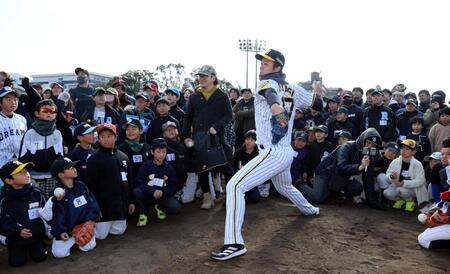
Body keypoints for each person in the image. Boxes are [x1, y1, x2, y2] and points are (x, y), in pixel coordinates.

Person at [210, 49, 322, 260]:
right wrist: (316, 93)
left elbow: (271, 96)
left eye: (267, 63)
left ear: (278, 67)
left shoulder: (266, 83)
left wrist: (277, 108)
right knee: (285, 186)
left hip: (273, 152)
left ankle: (234, 243)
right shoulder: (295, 88)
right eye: (262, 62)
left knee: (235, 186)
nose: (262, 65)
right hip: (286, 151)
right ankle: (310, 210)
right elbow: (318, 104)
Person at [182, 65, 234, 210]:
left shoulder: (222, 95)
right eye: (200, 76)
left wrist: (217, 127)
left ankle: (232, 196)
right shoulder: (194, 96)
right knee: (202, 169)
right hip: (199, 137)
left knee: (226, 168)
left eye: (205, 76)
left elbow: (229, 116)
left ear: (213, 77)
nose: (202, 79)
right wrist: (186, 136)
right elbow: (188, 117)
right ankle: (207, 197)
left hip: (217, 137)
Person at [85, 123, 135, 239]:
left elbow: (130, 181)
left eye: (109, 136)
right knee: (101, 236)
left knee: (119, 231)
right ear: (98, 138)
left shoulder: (123, 157)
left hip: (120, 207)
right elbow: (91, 187)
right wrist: (95, 207)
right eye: (102, 136)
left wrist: (131, 201)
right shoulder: (93, 159)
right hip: (104, 208)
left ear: (116, 137)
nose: (106, 139)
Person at [49, 158, 100, 258]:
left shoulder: (81, 186)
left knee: (89, 246)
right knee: (59, 254)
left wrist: (90, 222)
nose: (74, 169)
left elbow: (91, 204)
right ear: (61, 175)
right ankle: (61, 239)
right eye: (70, 168)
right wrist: (61, 231)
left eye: (74, 167)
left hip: (83, 226)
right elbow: (56, 215)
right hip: (67, 230)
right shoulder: (57, 193)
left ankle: (77, 239)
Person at [0, 161, 48, 267]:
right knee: (17, 262)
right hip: (16, 238)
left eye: (26, 170)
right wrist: (17, 230)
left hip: (36, 236)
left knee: (40, 257)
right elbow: (2, 219)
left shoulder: (37, 193)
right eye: (20, 172)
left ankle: (38, 244)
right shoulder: (4, 199)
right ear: (9, 180)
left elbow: (47, 211)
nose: (26, 173)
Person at [19, 99, 64, 199]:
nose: (49, 113)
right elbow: (22, 158)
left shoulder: (57, 133)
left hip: (52, 178)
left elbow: (61, 157)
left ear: (56, 114)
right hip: (33, 177)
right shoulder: (30, 133)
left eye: (52, 111)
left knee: (52, 206)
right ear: (37, 113)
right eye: (45, 111)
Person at [134, 138, 181, 227]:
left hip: (161, 196)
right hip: (147, 195)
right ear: (152, 152)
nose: (161, 155)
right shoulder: (146, 165)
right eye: (158, 152)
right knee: (136, 192)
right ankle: (143, 213)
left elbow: (173, 186)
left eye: (164, 152)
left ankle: (159, 207)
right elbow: (139, 183)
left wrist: (163, 192)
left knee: (176, 207)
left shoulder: (169, 168)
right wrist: (152, 191)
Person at [384, 139, 428, 211]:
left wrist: (404, 183)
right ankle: (400, 200)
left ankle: (410, 201)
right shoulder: (395, 161)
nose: (403, 151)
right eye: (401, 148)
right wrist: (391, 176)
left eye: (407, 149)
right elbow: (387, 175)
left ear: (413, 152)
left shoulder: (417, 164)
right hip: (397, 186)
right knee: (387, 193)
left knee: (401, 190)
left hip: (413, 189)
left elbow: (420, 181)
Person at [0, 87, 27, 186]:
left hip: (20, 165)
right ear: (0, 103)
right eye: (8, 99)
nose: (13, 102)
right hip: (2, 164)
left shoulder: (22, 119)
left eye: (15, 99)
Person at [233, 130, 262, 203]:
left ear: (256, 143)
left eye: (252, 140)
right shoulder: (239, 152)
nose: (248, 142)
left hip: (252, 181)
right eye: (247, 139)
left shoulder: (259, 154)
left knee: (255, 199)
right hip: (240, 179)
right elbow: (233, 166)